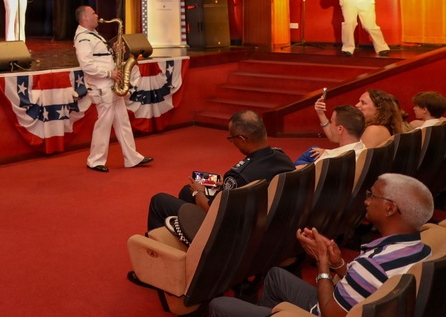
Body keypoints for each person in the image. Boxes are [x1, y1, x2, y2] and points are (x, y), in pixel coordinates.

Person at [208, 173, 433, 317]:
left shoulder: (376, 265)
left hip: (329, 310)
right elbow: (370, 284)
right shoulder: (418, 248)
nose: (366, 200)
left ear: (390, 208)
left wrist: (323, 264)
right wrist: (338, 263)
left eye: (372, 195)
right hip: (350, 302)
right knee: (276, 275)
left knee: (220, 305)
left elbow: (330, 313)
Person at [144, 110, 294, 232]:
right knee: (185, 191)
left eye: (231, 138)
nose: (232, 141)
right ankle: (183, 236)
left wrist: (198, 192)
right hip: (266, 222)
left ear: (242, 139)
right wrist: (225, 187)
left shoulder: (238, 176)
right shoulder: (283, 157)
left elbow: (215, 214)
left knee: (159, 200)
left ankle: (155, 252)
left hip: (233, 233)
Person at [74, 5, 152, 172]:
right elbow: (86, 65)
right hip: (102, 86)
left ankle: (132, 157)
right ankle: (95, 160)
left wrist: (116, 52)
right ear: (85, 18)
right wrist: (109, 73)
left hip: (110, 84)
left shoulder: (92, 35)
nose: (97, 15)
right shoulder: (83, 38)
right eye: (94, 13)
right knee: (104, 122)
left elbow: (100, 57)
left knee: (122, 121)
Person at [317, 89, 405, 148]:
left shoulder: (375, 130)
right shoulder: (368, 126)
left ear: (379, 109)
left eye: (363, 103)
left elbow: (359, 160)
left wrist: (329, 153)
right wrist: (320, 113)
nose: (357, 105)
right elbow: (334, 137)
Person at [294, 104, 366, 166]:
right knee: (312, 151)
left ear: (340, 129)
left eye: (331, 122)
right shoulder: (364, 149)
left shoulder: (328, 161)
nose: (330, 126)